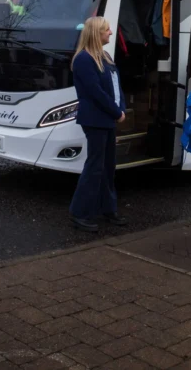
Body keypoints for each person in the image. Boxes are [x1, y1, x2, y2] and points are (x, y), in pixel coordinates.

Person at [68, 17, 127, 232]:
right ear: (96, 33)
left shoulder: (105, 56)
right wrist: (116, 112)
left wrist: (121, 108)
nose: (111, 32)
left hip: (107, 118)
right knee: (94, 166)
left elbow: (116, 86)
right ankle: (79, 212)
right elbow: (96, 93)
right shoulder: (84, 59)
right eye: (107, 30)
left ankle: (107, 208)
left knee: (108, 166)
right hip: (95, 119)